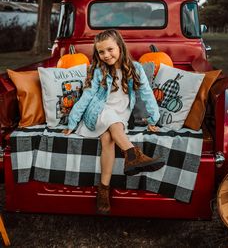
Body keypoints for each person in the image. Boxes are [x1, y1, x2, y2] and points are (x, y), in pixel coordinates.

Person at [63, 29, 164, 215]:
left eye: (110, 49)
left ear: (120, 46)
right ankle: (134, 156)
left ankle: (104, 188)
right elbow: (87, 96)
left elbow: (147, 94)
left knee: (108, 138)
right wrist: (72, 122)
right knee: (111, 120)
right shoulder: (99, 71)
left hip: (121, 115)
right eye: (101, 52)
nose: (106, 55)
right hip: (98, 112)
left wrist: (153, 118)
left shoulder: (135, 69)